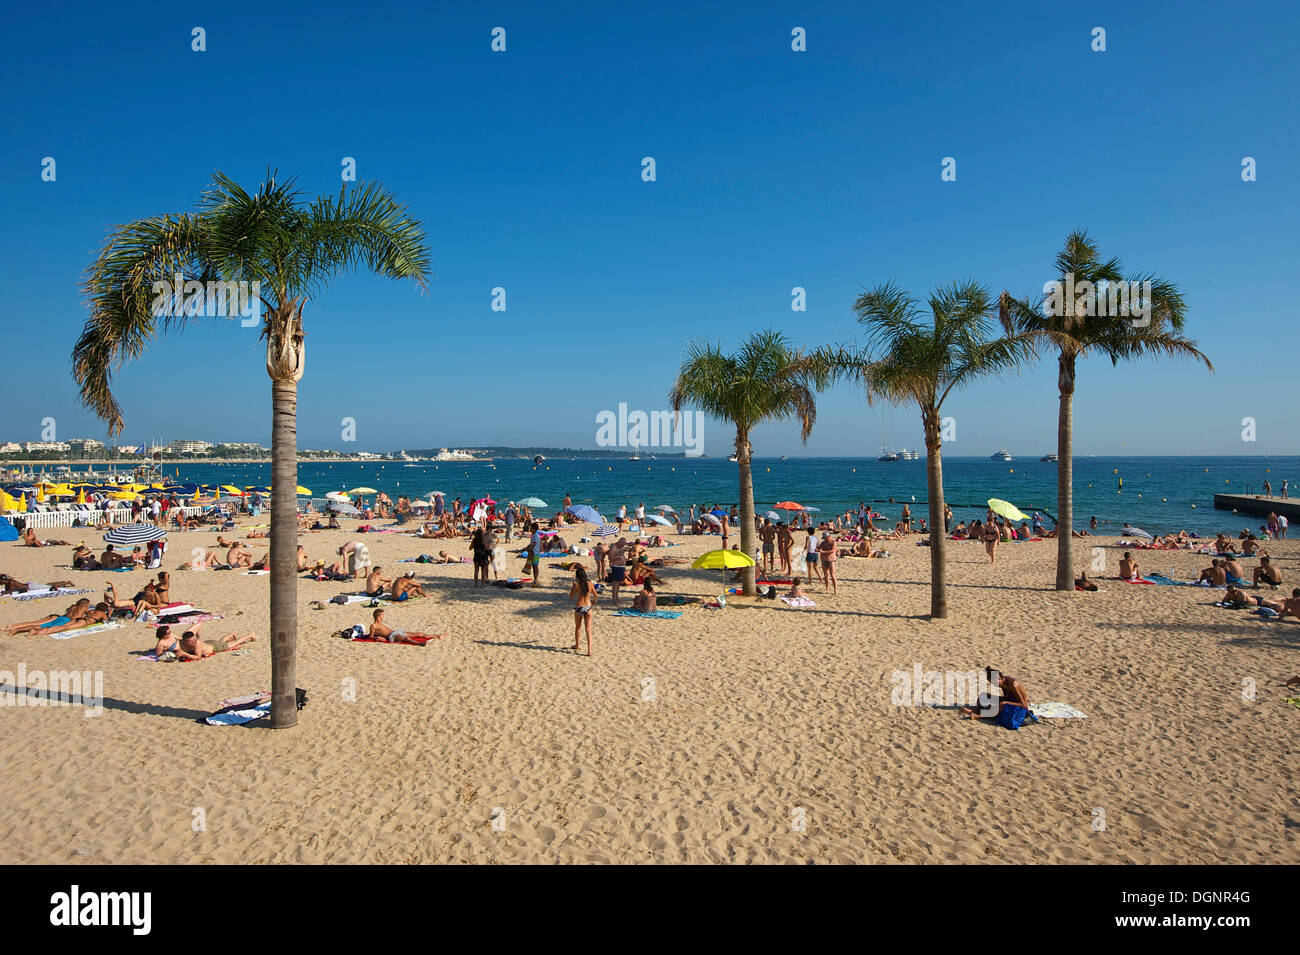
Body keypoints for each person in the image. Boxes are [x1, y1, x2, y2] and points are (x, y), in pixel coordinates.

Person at [960, 667, 1030, 719]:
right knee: (984, 696)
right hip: (1011, 701)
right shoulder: (1003, 682)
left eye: (994, 682)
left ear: (998, 678)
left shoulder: (1013, 684)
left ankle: (979, 716)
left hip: (1020, 706)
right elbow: (1006, 697)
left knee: (1002, 705)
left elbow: (1024, 705)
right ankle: (974, 711)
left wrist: (1006, 703)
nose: (994, 685)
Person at [176, 622, 258, 659]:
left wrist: (185, 654)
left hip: (214, 647)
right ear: (185, 641)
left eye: (193, 639)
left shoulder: (196, 643)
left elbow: (198, 657)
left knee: (234, 644)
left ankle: (250, 635)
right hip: (209, 644)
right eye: (190, 641)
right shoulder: (184, 642)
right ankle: (231, 634)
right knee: (220, 642)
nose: (192, 642)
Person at [368, 608, 444, 645]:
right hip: (392, 636)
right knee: (406, 638)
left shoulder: (380, 623)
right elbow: (370, 637)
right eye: (382, 615)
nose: (383, 617)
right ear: (378, 616)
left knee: (418, 634)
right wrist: (378, 638)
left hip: (396, 632)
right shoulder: (373, 625)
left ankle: (437, 636)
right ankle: (419, 643)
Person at [570, 565, 596, 655]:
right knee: (588, 629)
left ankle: (577, 645)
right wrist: (594, 601)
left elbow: (571, 596)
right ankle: (589, 651)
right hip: (588, 607)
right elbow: (596, 595)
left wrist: (573, 586)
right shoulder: (590, 584)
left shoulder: (577, 585)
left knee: (578, 627)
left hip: (579, 607)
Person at [608, 537, 628, 605]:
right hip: (616, 567)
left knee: (619, 583)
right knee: (615, 584)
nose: (623, 546)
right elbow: (610, 558)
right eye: (622, 544)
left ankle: (617, 597)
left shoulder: (622, 547)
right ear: (619, 542)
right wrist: (618, 558)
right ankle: (614, 599)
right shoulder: (614, 547)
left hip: (621, 567)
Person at [817, 531, 838, 595]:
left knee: (832, 576)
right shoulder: (823, 542)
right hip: (824, 560)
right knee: (826, 575)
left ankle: (835, 590)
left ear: (828, 536)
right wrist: (817, 549)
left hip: (831, 560)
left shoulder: (833, 542)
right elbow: (819, 548)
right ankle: (827, 587)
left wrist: (823, 551)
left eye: (825, 538)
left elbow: (833, 550)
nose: (824, 539)